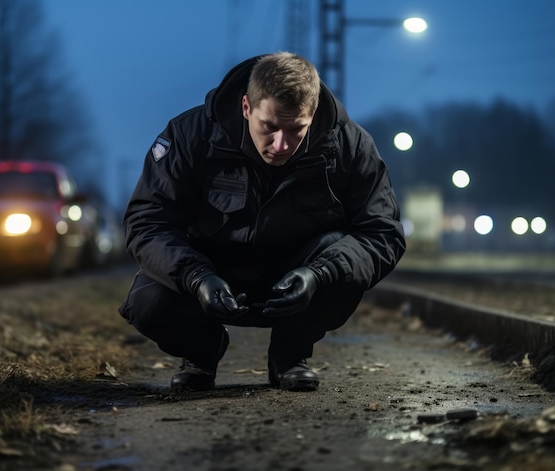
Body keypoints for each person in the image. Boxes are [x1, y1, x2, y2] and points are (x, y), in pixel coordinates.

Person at [118, 52, 405, 392]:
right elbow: (147, 220)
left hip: (297, 280)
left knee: (341, 259)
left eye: (296, 129)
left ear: (311, 116)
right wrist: (196, 277)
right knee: (147, 302)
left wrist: (319, 274)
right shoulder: (189, 137)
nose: (280, 145)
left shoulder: (351, 147)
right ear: (245, 107)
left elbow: (383, 232)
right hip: (210, 276)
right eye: (268, 127)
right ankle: (201, 352)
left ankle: (289, 356)